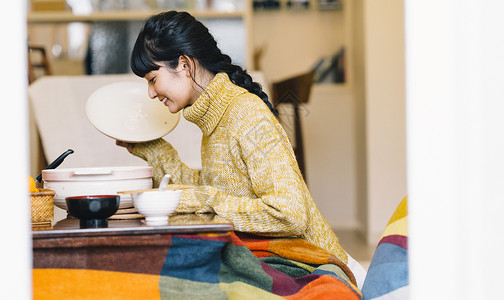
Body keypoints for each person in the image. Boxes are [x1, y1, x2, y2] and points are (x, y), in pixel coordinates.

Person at [118, 11, 365, 284]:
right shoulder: (216, 115)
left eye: (152, 79)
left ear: (184, 65)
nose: (151, 93)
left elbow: (290, 214)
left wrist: (204, 202)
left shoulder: (245, 114)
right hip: (274, 258)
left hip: (310, 263)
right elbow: (220, 191)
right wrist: (154, 149)